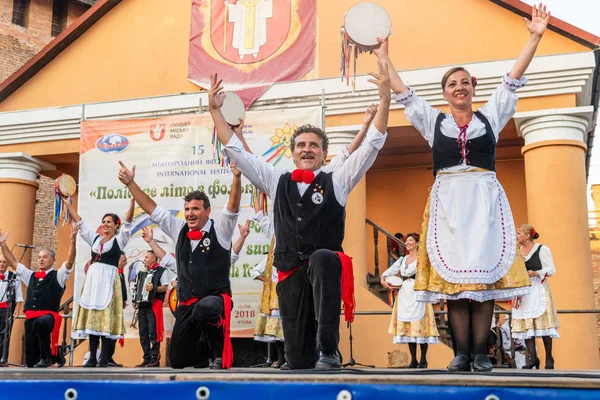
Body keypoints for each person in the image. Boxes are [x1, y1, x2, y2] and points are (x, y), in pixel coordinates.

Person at [377, 3, 552, 372]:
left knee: (482, 279)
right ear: (445, 93)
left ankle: (479, 355)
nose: (460, 87)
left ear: (474, 89)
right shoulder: (433, 121)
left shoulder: (491, 115)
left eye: (465, 82)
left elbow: (513, 78)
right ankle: (461, 353)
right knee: (455, 281)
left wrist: (534, 37)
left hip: (485, 204)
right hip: (449, 204)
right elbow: (402, 90)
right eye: (453, 83)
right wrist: (382, 56)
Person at [208, 50, 390, 369]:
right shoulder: (277, 180)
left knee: (321, 258)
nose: (307, 150)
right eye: (301, 146)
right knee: (297, 360)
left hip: (325, 265)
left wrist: (385, 99)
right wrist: (215, 113)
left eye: (314, 146)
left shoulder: (338, 178)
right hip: (289, 270)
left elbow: (372, 144)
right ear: (292, 154)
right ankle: (306, 358)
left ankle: (330, 350)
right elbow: (237, 152)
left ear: (324, 154)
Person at [118, 162, 242, 370]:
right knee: (177, 361)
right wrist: (130, 183)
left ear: (207, 211)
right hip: (186, 302)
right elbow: (151, 208)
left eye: (195, 208)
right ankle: (203, 354)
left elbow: (233, 207)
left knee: (204, 309)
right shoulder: (178, 228)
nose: (190, 213)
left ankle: (218, 351)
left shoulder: (221, 230)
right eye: (187, 209)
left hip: (216, 300)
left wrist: (236, 178)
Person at [64, 197, 135, 367]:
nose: (105, 224)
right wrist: (68, 205)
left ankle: (104, 359)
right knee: (93, 319)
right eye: (103, 222)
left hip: (109, 281)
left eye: (109, 222)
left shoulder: (119, 240)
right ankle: (93, 358)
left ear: (116, 225)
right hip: (94, 282)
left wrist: (132, 203)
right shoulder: (95, 240)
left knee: (106, 320)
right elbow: (80, 223)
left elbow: (128, 223)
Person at [0, 225, 77, 368]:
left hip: (48, 317)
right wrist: (3, 245)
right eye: (39, 257)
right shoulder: (31, 276)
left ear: (53, 260)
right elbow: (13, 262)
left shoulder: (58, 276)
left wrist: (72, 241)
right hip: (30, 319)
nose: (41, 260)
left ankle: (49, 357)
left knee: (40, 323)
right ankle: (53, 357)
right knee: (31, 360)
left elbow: (70, 261)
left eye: (45, 257)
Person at [381, 233, 439, 368]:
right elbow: (389, 271)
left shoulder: (422, 258)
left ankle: (423, 359)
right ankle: (413, 359)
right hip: (404, 294)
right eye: (406, 241)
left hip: (418, 292)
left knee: (420, 325)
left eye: (411, 240)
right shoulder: (402, 259)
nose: (407, 243)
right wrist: (383, 280)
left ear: (417, 243)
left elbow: (430, 274)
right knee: (408, 327)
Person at [511, 224, 559, 369]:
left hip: (538, 288)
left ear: (527, 236)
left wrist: (537, 272)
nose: (517, 235)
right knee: (527, 325)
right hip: (523, 290)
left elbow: (551, 269)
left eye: (519, 233)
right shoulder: (517, 252)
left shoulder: (541, 249)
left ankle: (549, 358)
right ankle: (533, 358)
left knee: (543, 323)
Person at [133, 226, 176, 367]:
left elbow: (166, 286)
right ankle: (146, 358)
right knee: (143, 333)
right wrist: (136, 299)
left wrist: (153, 289)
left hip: (154, 304)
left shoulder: (161, 270)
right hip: (143, 305)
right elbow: (137, 288)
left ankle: (155, 358)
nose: (144, 259)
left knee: (153, 332)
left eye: (146, 257)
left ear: (153, 258)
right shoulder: (142, 272)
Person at [0, 254, 24, 367]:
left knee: (5, 335)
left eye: (5, 262)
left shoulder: (14, 276)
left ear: (8, 264)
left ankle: (3, 358)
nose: (2, 264)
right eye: (0, 262)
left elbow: (19, 295)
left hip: (6, 309)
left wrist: (17, 309)